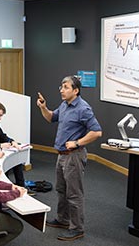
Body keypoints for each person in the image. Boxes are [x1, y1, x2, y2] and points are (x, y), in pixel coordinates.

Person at [36, 75, 102, 241]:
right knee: (61, 190)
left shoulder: (83, 108)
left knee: (74, 194)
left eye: (65, 87)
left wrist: (78, 143)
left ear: (76, 90)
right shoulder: (65, 105)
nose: (61, 90)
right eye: (61, 86)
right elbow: (51, 117)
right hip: (62, 156)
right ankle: (63, 219)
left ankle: (77, 228)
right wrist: (43, 107)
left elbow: (96, 132)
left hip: (74, 156)